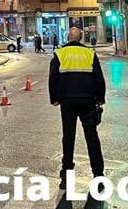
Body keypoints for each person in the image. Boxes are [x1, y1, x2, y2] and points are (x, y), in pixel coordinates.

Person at [49, 27, 106, 191]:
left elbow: (53, 78)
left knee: (68, 138)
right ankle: (98, 176)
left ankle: (66, 177)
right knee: (92, 138)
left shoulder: (60, 54)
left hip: (67, 102)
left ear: (68, 38)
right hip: (88, 101)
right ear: (80, 38)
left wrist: (54, 98)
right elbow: (98, 78)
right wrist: (100, 98)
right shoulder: (89, 54)